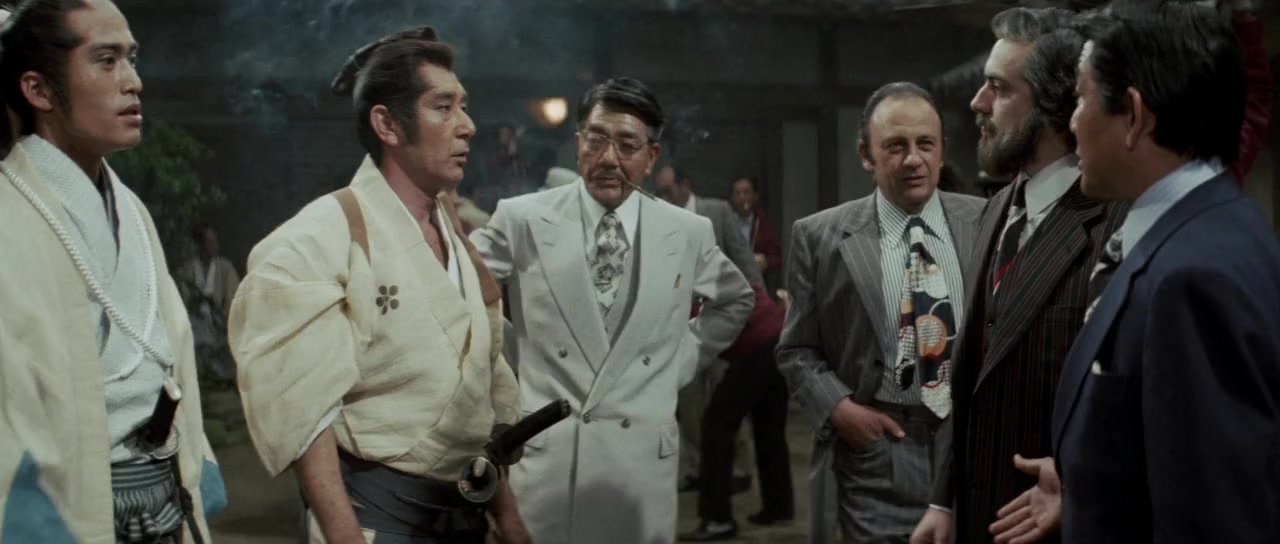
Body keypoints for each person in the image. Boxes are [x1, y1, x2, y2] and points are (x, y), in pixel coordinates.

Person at [228, 26, 528, 544]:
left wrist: (508, 513)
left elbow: (480, 387)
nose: (468, 126)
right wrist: (344, 535)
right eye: (443, 107)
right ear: (387, 124)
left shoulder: (455, 236)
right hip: (374, 521)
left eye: (464, 106)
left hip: (464, 515)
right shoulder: (320, 237)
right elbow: (305, 415)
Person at [470, 76, 754, 544]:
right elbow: (457, 287)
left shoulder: (687, 231)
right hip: (551, 461)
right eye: (596, 140)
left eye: (627, 145)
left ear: (651, 156)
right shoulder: (523, 218)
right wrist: (512, 354)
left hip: (639, 464)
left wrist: (679, 359)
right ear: (578, 143)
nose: (608, 158)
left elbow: (736, 298)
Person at [1047, 5, 1280, 542]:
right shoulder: (1219, 224)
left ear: (1135, 116)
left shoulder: (1190, 280)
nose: (1072, 122)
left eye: (1081, 98)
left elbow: (1211, 519)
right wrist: (1089, 474)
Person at [0, 1, 225, 541]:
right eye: (106, 60)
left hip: (163, 491)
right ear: (39, 90)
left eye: (132, 59)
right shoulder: (9, 214)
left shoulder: (131, 208)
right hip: (72, 506)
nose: (133, 82)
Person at [910, 9, 1127, 544]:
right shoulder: (998, 209)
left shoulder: (1115, 221)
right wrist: (944, 498)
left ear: (1055, 105)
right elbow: (973, 376)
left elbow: (1139, 398)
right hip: (979, 515)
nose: (977, 103)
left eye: (999, 88)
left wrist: (1084, 488)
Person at [777, 81, 984, 543]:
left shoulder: (988, 220)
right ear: (866, 155)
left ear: (942, 150)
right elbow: (796, 350)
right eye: (895, 146)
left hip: (973, 447)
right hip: (880, 455)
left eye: (925, 144)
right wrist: (840, 408)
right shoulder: (821, 236)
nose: (913, 159)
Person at [654, 162, 759, 502]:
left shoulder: (716, 211)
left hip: (720, 319)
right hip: (680, 324)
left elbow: (742, 256)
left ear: (685, 186)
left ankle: (739, 469)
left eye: (668, 190)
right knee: (689, 404)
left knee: (726, 400)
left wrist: (757, 304)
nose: (663, 196)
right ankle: (699, 468)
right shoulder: (660, 218)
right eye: (660, 191)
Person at [176, 224, 240, 381]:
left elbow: (233, 301)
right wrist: (194, 301)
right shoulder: (187, 270)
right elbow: (181, 303)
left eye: (214, 241)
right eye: (209, 242)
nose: (213, 246)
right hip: (194, 325)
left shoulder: (226, 269)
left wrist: (224, 317)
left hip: (220, 325)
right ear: (199, 245)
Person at [729, 176, 783, 284]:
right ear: (732, 198)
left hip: (758, 282)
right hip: (731, 281)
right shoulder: (727, 222)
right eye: (738, 193)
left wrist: (766, 262)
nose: (742, 197)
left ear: (755, 196)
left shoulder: (764, 223)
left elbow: (777, 258)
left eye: (746, 192)